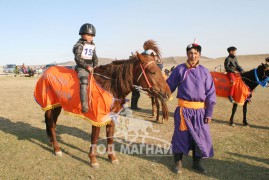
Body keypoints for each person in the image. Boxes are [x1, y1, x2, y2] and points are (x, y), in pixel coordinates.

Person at [166, 42, 216, 174]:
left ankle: (197, 163)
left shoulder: (205, 72)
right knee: (180, 136)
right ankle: (178, 163)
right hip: (184, 111)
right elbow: (169, 87)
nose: (193, 56)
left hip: (200, 111)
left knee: (199, 137)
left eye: (195, 53)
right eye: (190, 53)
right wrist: (159, 92)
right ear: (187, 54)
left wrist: (209, 113)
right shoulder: (179, 69)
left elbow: (211, 93)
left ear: (199, 55)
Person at [73, 23, 98, 113]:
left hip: (91, 67)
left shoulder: (93, 45)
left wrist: (95, 65)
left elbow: (95, 57)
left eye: (92, 35)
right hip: (82, 68)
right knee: (84, 82)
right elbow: (77, 58)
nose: (91, 37)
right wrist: (87, 67)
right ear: (82, 34)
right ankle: (84, 105)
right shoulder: (79, 45)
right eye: (89, 35)